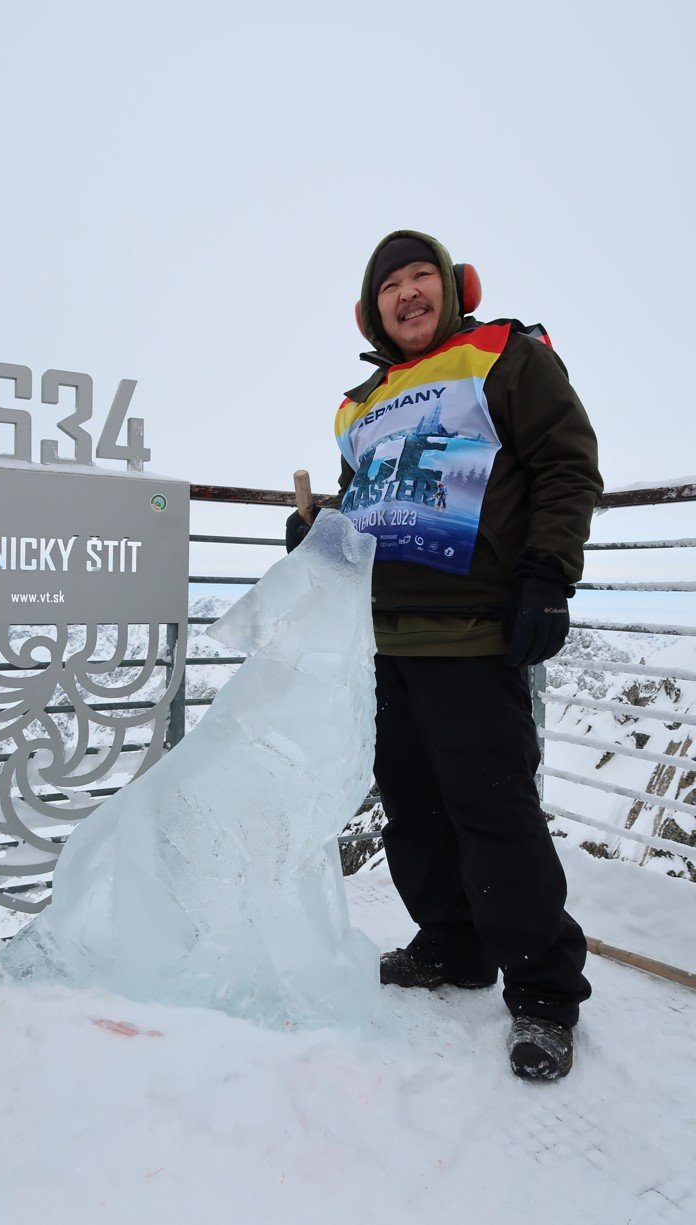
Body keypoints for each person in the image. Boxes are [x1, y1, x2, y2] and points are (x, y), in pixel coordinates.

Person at [286, 230, 603, 1081]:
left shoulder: (504, 357)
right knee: (414, 811)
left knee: (494, 815)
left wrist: (548, 572)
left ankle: (543, 991)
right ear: (372, 312)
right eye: (390, 284)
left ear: (454, 287)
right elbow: (365, 504)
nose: (408, 292)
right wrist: (319, 538)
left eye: (421, 274)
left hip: (471, 635)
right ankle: (454, 944)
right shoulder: (360, 405)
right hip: (382, 642)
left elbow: (566, 462)